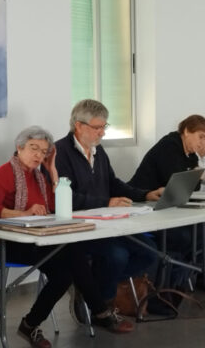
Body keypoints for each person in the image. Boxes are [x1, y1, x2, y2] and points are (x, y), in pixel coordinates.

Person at [0, 125, 134, 348]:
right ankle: (100, 311)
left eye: (44, 152)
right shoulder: (5, 172)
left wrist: (52, 170)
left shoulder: (38, 175)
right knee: (74, 253)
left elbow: (56, 206)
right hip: (10, 243)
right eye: (34, 148)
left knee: (65, 273)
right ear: (19, 147)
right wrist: (24, 213)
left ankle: (30, 324)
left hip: (39, 238)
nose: (38, 155)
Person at [54, 99, 163, 306]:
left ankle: (90, 289)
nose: (102, 133)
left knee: (150, 251)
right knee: (117, 256)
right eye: (97, 127)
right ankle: (102, 307)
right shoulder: (60, 153)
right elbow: (66, 198)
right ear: (79, 126)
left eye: (104, 127)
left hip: (107, 224)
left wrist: (145, 194)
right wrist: (107, 202)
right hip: (80, 227)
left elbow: (113, 183)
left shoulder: (98, 151)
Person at [128, 114, 205, 265]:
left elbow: (191, 186)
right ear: (187, 131)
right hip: (141, 204)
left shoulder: (190, 155)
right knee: (183, 237)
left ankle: (191, 273)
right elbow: (172, 181)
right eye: (200, 137)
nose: (202, 142)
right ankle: (174, 274)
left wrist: (198, 169)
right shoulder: (169, 146)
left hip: (165, 206)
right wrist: (197, 175)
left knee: (201, 230)